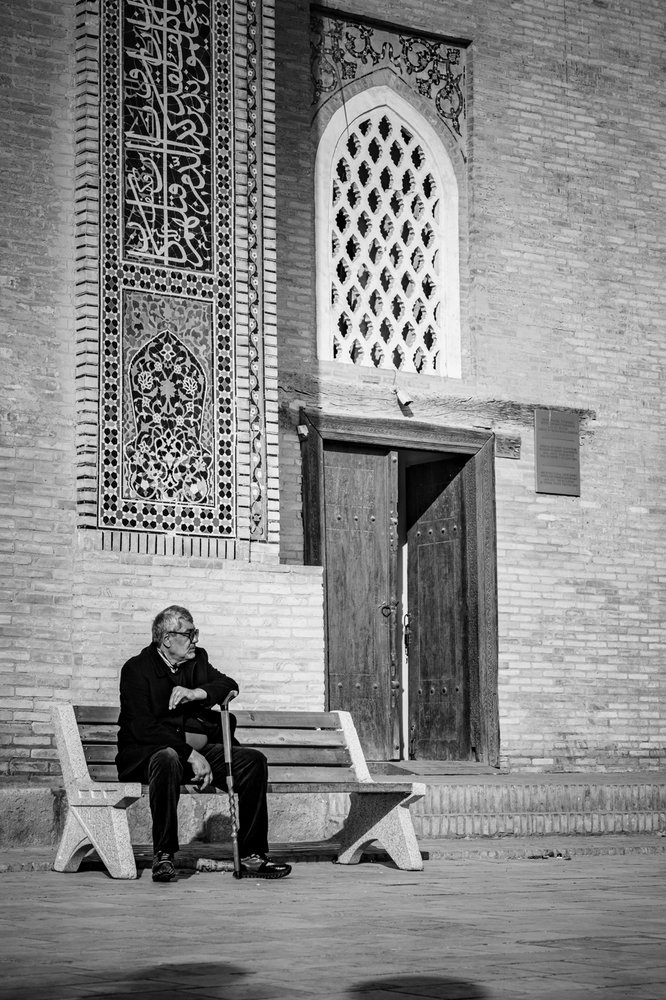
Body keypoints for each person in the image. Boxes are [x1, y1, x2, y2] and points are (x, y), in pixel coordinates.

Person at [116, 605, 291, 882]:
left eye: (195, 632)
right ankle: (164, 854)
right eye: (190, 633)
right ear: (167, 639)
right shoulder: (136, 669)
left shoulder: (197, 661)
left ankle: (252, 854)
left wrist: (196, 693)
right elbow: (143, 728)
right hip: (148, 754)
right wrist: (191, 755)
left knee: (252, 761)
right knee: (168, 757)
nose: (195, 639)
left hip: (191, 751)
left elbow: (228, 684)